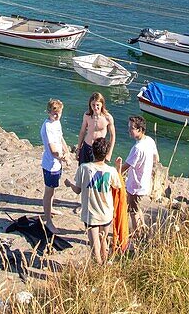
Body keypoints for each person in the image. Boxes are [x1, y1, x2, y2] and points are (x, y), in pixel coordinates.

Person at [65, 136, 121, 264]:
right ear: (106, 153)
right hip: (106, 213)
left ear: (92, 152)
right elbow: (118, 185)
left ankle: (97, 268)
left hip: (91, 215)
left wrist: (69, 184)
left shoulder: (84, 168)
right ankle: (105, 268)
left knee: (94, 247)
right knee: (104, 243)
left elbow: (78, 190)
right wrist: (118, 168)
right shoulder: (111, 171)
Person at [116, 116, 159, 233]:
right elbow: (156, 159)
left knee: (133, 211)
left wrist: (115, 170)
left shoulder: (137, 148)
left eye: (132, 128)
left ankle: (137, 233)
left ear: (140, 129)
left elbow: (125, 167)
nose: (129, 130)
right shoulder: (150, 140)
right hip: (144, 182)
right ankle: (142, 228)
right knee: (137, 207)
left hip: (135, 185)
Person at [40, 99, 66, 233]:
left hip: (57, 164)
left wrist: (66, 150)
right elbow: (52, 150)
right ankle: (48, 221)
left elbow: (60, 138)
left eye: (59, 113)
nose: (57, 116)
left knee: (53, 190)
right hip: (50, 165)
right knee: (48, 192)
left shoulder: (56, 122)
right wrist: (63, 157)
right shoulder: (48, 126)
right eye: (54, 113)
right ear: (48, 112)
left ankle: (50, 209)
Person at [77, 92, 116, 164]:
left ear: (102, 104)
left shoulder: (107, 118)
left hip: (99, 150)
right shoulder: (87, 115)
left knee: (95, 172)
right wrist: (79, 148)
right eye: (93, 105)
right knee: (83, 169)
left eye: (97, 105)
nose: (95, 107)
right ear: (90, 105)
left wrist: (109, 153)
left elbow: (112, 136)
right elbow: (82, 132)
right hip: (86, 146)